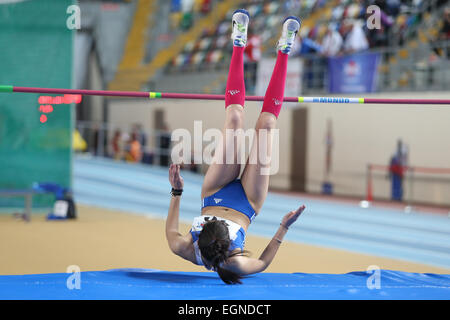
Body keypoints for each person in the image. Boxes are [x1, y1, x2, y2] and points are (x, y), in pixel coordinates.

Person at [165, 9, 306, 285]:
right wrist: (283, 228)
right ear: (227, 244)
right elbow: (263, 263)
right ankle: (284, 50)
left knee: (234, 118)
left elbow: (170, 230)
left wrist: (177, 191)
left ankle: (238, 43)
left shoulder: (183, 247)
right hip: (248, 202)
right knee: (266, 125)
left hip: (214, 191)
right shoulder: (236, 262)